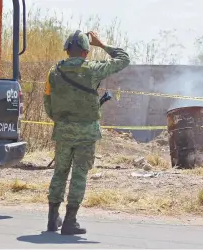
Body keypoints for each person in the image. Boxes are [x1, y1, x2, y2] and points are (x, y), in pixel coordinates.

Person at [43, 30, 130, 235]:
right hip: (87, 133)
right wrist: (102, 44)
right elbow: (124, 59)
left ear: (67, 50)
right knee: (79, 175)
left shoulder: (53, 72)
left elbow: (47, 102)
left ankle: (52, 218)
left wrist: (61, 122)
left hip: (63, 132)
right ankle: (70, 221)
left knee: (60, 173)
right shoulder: (92, 70)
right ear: (85, 52)